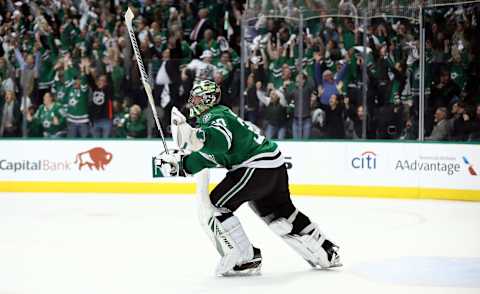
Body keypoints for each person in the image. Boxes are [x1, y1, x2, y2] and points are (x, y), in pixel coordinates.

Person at [155, 80, 341, 276]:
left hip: (255, 167)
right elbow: (210, 156)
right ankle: (327, 250)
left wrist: (196, 137)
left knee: (215, 206)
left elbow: (220, 142)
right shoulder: (215, 119)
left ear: (208, 100)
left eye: (197, 98)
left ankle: (246, 258)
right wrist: (180, 165)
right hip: (272, 164)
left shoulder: (214, 115)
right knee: (281, 214)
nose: (193, 102)